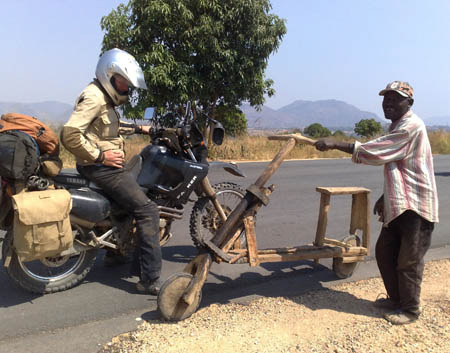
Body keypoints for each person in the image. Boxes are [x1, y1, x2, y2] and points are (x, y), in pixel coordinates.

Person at [315, 81, 438, 325]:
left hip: (416, 206)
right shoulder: (398, 126)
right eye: (386, 98)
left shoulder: (411, 126)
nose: (388, 102)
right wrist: (387, 196)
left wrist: (335, 143)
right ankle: (396, 300)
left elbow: (376, 152)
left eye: (395, 98)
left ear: (409, 103)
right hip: (401, 203)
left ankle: (411, 310)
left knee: (408, 261)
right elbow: (400, 167)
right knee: (384, 252)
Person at [61, 48, 162, 295]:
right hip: (99, 168)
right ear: (109, 75)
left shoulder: (104, 98)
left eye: (128, 83)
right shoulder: (95, 97)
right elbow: (70, 133)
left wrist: (142, 130)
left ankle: (115, 254)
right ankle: (149, 279)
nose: (126, 88)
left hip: (101, 166)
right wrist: (101, 156)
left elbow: (107, 129)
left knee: (127, 201)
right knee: (148, 210)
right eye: (123, 82)